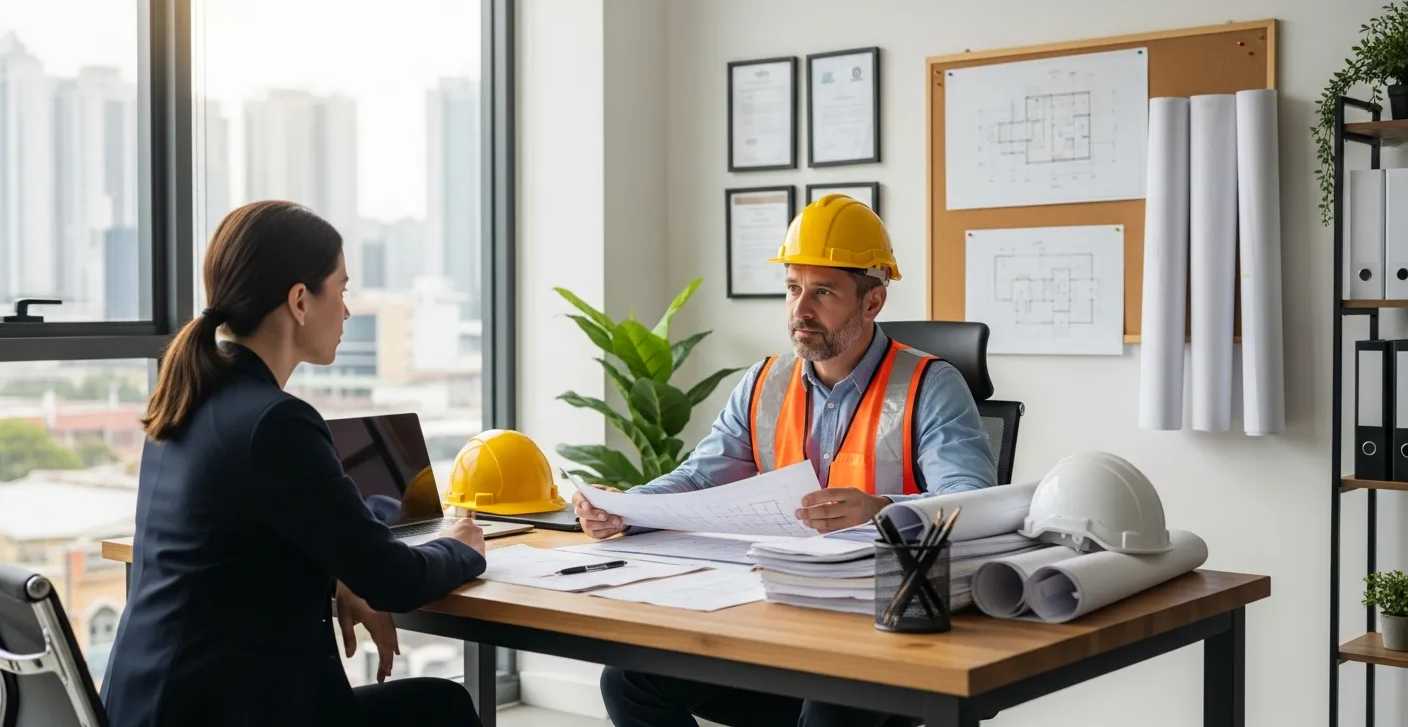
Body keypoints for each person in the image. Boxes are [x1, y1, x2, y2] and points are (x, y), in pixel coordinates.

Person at [576, 194, 997, 727]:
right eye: (794, 288)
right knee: (630, 679)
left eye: (823, 292)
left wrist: (881, 509)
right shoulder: (763, 382)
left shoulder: (931, 385)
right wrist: (626, 507)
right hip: (780, 610)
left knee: (829, 706)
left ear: (872, 302)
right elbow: (702, 476)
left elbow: (972, 502)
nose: (801, 310)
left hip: (881, 630)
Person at [100, 201, 487, 727]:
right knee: (442, 708)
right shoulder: (275, 422)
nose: (348, 311)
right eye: (343, 289)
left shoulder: (185, 398)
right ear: (300, 301)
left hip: (146, 706)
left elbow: (236, 549)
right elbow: (395, 580)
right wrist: (462, 548)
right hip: (233, 714)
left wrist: (337, 572)